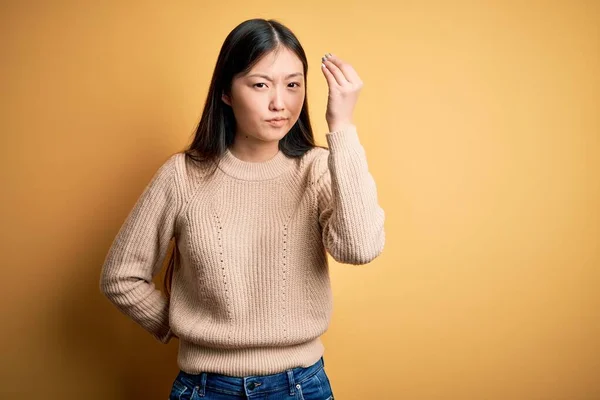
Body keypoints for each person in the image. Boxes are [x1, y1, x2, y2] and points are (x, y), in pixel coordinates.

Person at [99, 18, 385, 400]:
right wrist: (183, 325)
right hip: (205, 388)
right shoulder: (182, 176)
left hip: (300, 387)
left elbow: (360, 248)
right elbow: (120, 276)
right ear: (226, 93)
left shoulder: (317, 170)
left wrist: (343, 127)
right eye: (260, 84)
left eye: (293, 84)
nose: (279, 103)